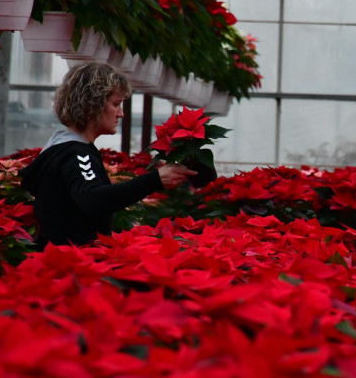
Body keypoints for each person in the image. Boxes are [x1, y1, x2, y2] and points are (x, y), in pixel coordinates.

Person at [20, 62, 213, 248]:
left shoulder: (62, 148)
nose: (121, 114)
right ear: (91, 105)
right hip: (70, 266)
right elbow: (93, 200)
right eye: (116, 104)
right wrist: (155, 180)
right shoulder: (75, 153)